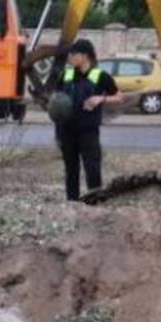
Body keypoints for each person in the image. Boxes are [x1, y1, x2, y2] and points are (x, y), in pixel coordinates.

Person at [52, 39, 122, 202]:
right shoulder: (66, 74)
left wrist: (100, 98)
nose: (70, 57)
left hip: (88, 131)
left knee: (92, 168)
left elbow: (119, 97)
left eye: (74, 54)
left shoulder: (100, 76)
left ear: (84, 56)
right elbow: (57, 98)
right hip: (67, 130)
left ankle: (94, 203)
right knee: (71, 170)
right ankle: (72, 204)